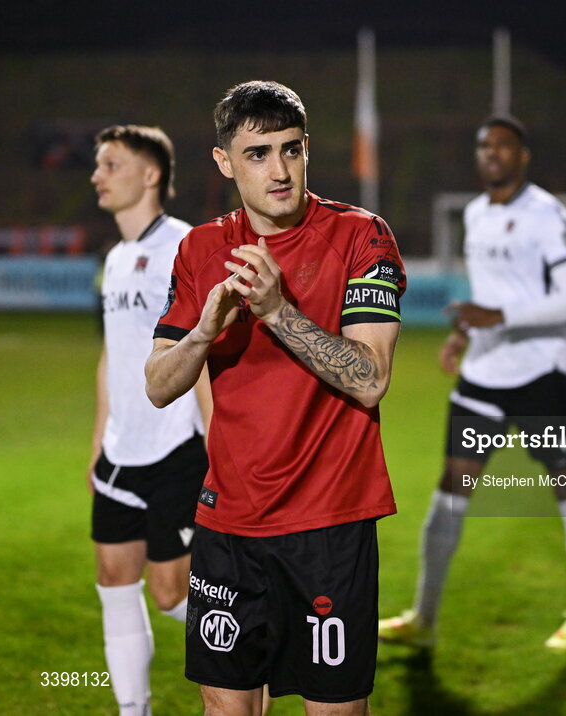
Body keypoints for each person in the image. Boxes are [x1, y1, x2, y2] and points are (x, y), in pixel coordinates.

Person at [145, 81, 405, 716]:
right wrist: (206, 331)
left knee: (334, 711)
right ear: (224, 162)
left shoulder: (359, 237)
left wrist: (276, 310)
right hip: (228, 523)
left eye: (292, 149)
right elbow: (157, 384)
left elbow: (370, 378)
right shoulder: (202, 249)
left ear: (308, 148)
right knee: (224, 707)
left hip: (330, 524)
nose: (281, 170)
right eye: (258, 154)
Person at [377, 115, 566, 651]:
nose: (492, 153)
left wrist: (496, 316)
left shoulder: (547, 214)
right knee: (452, 490)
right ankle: (424, 618)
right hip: (482, 376)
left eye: (503, 145)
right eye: (484, 145)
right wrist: (462, 334)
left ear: (523, 156)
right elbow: (486, 295)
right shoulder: (475, 213)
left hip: (541, 374)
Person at [88, 124, 211, 716]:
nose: (97, 176)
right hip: (121, 454)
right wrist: (98, 442)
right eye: (98, 165)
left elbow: (207, 354)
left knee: (169, 594)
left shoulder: (187, 247)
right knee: (114, 579)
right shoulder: (113, 261)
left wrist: (221, 450)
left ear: (151, 174)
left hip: (176, 450)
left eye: (111, 164)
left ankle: (249, 629)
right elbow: (112, 351)